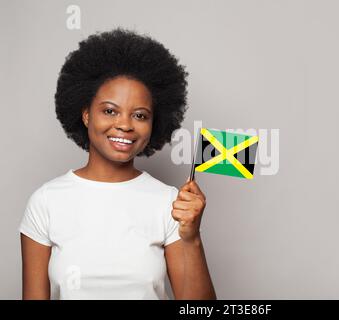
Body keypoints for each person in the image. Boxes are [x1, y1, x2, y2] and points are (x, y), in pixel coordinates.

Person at [18, 27, 216, 300]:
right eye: (110, 111)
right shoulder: (46, 202)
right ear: (86, 115)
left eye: (140, 115)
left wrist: (192, 239)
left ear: (153, 124)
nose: (124, 125)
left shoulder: (171, 203)